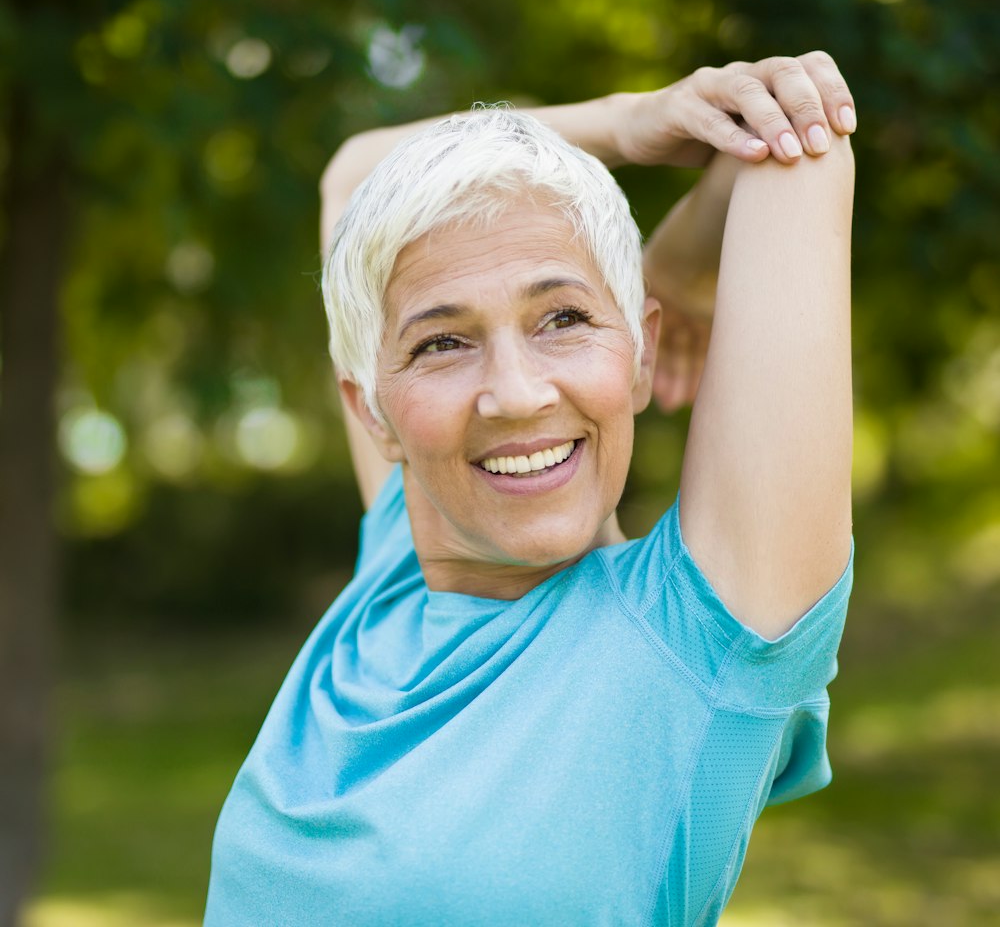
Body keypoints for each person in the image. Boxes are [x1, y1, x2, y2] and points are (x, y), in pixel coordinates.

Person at [205, 52, 857, 926]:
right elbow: (357, 173)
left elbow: (795, 142)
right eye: (442, 342)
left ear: (639, 352)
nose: (515, 393)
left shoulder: (700, 639)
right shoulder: (399, 563)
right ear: (373, 413)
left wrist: (685, 258)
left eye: (566, 319)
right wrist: (631, 121)